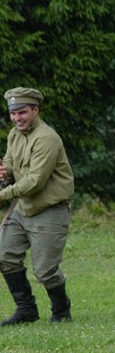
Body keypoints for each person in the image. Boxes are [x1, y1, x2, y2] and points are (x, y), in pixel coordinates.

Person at [0, 87, 75, 326]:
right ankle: (26, 311)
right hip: (22, 208)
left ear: (35, 109)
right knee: (4, 256)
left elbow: (35, 180)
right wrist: (5, 170)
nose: (17, 118)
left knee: (45, 271)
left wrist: (3, 194)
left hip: (49, 211)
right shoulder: (15, 134)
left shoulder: (47, 138)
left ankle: (62, 312)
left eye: (22, 112)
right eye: (13, 113)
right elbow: (11, 161)